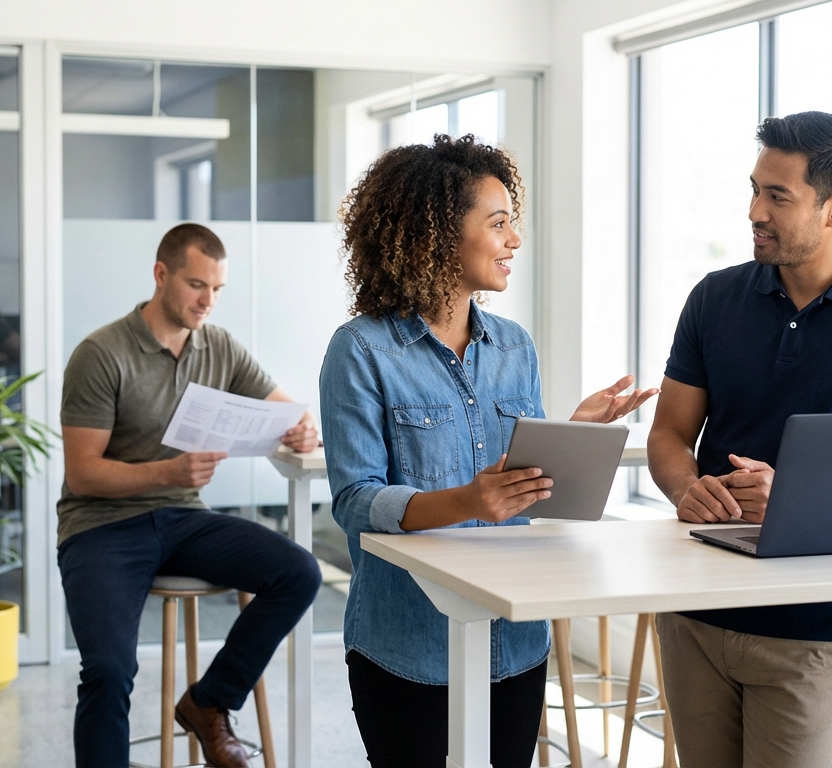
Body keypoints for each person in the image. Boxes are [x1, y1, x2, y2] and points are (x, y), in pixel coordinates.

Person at [319, 134, 656, 768]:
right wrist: (464, 501)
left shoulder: (514, 346)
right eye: (498, 224)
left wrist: (571, 435)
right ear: (437, 233)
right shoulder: (361, 350)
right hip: (408, 644)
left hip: (515, 637)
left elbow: (520, 484)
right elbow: (355, 501)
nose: (515, 241)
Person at [646, 112, 832, 768]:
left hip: (805, 625)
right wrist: (686, 488)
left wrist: (794, 497)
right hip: (692, 607)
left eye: (777, 196)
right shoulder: (713, 298)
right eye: (754, 189)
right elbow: (669, 432)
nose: (755, 210)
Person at [57, 223, 322, 768]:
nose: (209, 301)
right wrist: (169, 472)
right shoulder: (101, 353)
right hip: (100, 526)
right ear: (161, 275)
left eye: (218, 289)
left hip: (181, 518)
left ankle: (209, 703)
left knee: (299, 572)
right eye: (198, 285)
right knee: (108, 671)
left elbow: (285, 407)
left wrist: (302, 428)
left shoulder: (218, 345)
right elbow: (82, 475)